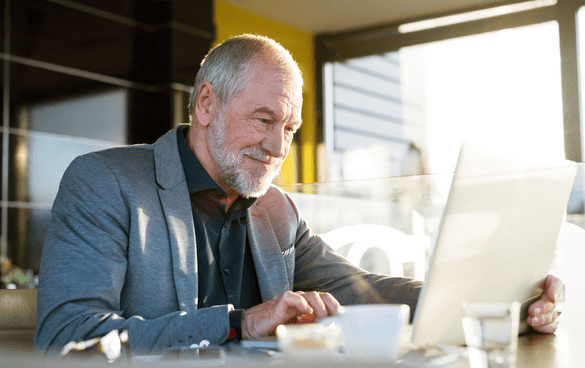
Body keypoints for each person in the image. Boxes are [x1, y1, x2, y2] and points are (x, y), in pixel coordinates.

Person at [34, 34, 562, 356]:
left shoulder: (277, 210)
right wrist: (241, 322)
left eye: (289, 128)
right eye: (263, 119)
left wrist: (493, 300)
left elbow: (360, 288)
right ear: (206, 104)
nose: (276, 146)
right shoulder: (103, 182)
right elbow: (67, 341)